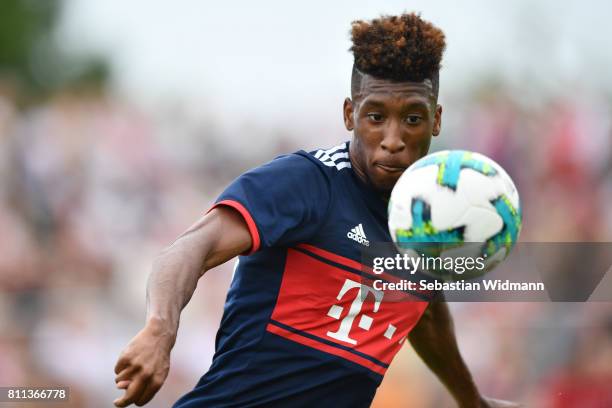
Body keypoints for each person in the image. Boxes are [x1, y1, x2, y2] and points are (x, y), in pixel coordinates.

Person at [114, 13, 521, 408]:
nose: (393, 139)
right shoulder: (307, 184)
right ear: (350, 115)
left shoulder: (431, 221)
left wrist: (472, 400)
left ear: (435, 120)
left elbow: (427, 313)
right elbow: (189, 248)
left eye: (412, 118)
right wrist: (159, 330)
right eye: (376, 117)